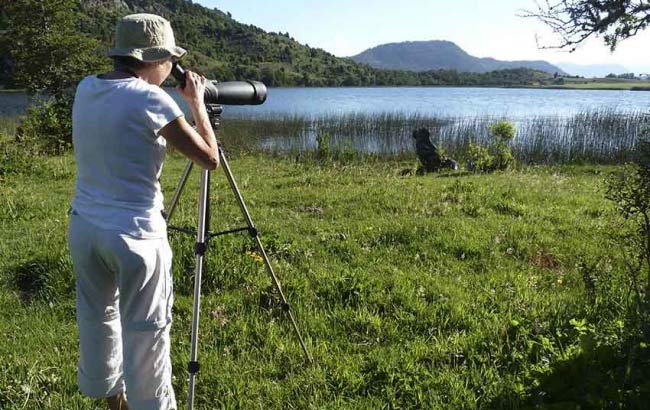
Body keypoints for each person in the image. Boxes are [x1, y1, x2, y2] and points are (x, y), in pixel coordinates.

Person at [68, 13, 218, 410]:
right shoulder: (151, 98)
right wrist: (197, 103)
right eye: (170, 60)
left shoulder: (86, 88)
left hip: (85, 227)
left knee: (98, 318)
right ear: (155, 59)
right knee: (147, 332)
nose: (172, 70)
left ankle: (110, 399)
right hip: (135, 236)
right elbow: (208, 158)